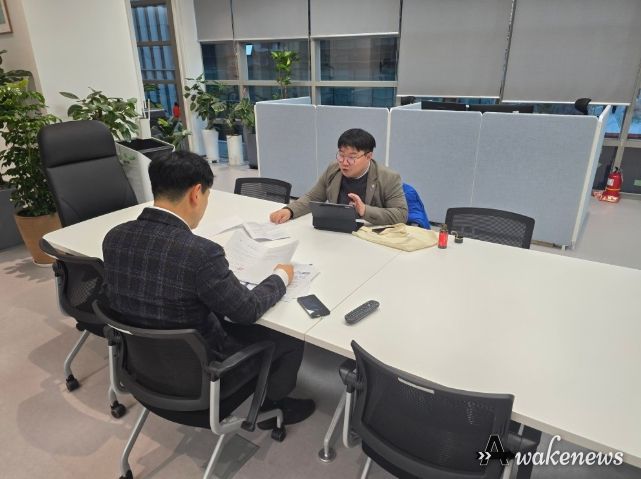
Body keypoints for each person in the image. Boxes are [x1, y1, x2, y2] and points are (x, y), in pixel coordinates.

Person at [102, 150, 314, 428]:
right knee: (288, 338)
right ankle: (273, 407)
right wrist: (280, 277)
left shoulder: (114, 237)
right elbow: (247, 310)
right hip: (205, 379)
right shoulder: (200, 254)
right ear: (195, 193)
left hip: (143, 371)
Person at [269, 128, 408, 226]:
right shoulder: (334, 169)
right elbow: (313, 197)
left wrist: (364, 210)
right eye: (341, 155)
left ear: (368, 156)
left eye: (352, 157)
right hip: (337, 232)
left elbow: (401, 215)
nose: (344, 162)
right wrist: (289, 210)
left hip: (369, 238)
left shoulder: (389, 177)